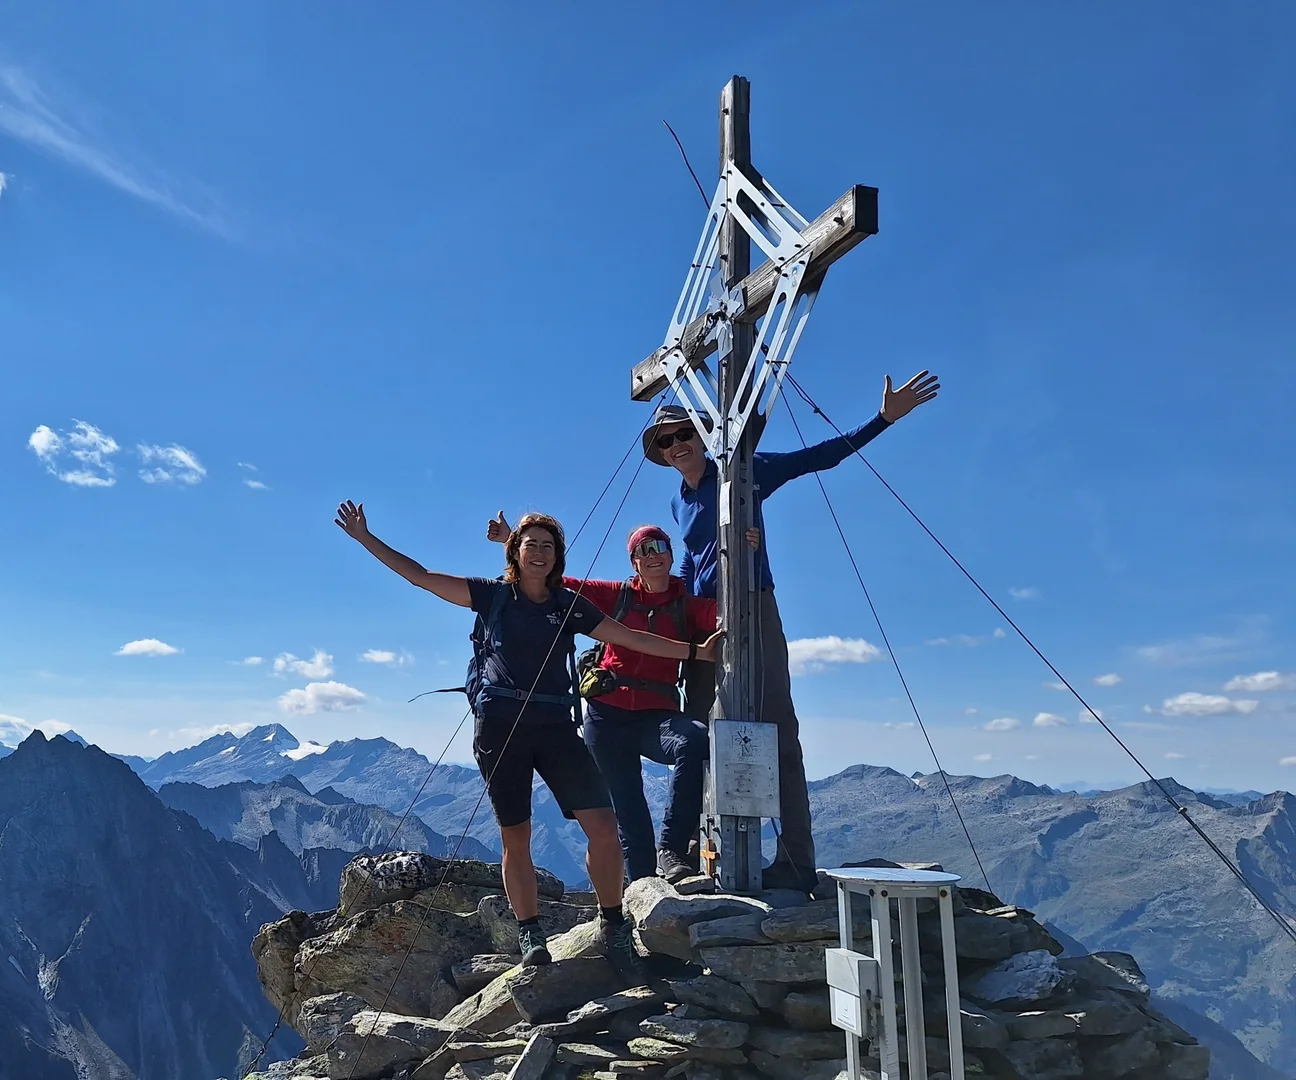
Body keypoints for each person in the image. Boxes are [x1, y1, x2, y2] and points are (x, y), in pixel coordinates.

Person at [335, 501, 721, 971]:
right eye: (530, 545)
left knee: (603, 830)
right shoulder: (492, 595)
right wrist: (364, 538)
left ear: (558, 556)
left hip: (557, 726)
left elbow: (629, 637)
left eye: (548, 546)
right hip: (502, 728)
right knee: (515, 836)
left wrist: (694, 654)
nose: (539, 553)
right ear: (514, 552)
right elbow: (420, 576)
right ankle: (529, 932)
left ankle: (613, 923)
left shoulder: (567, 604)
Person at [643, 371, 940, 893]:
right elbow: (690, 559)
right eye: (665, 442)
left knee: (777, 726)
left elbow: (818, 458)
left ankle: (795, 859)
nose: (676, 446)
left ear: (702, 434)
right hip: (706, 617)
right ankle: (692, 853)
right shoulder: (678, 502)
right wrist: (679, 608)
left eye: (683, 433)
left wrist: (883, 420)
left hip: (753, 605)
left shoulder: (744, 469)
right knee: (695, 728)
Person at [483, 518, 719, 884]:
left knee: (693, 739)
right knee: (629, 814)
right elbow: (548, 580)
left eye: (658, 547)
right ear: (633, 563)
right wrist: (512, 541)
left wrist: (748, 550)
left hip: (656, 716)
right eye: (642, 550)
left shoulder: (687, 604)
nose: (651, 555)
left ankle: (671, 849)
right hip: (607, 718)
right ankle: (643, 896)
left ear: (671, 556)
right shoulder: (616, 594)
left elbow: (730, 611)